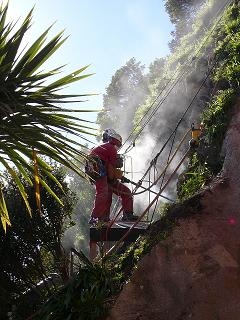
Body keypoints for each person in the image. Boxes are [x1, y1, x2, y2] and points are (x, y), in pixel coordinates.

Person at [88, 129, 138, 224]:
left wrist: (115, 177)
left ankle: (111, 217)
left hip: (97, 172)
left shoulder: (102, 147)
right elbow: (110, 168)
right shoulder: (111, 148)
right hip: (100, 172)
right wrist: (114, 178)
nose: (118, 149)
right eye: (119, 146)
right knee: (103, 193)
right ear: (117, 143)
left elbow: (108, 167)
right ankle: (95, 217)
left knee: (125, 192)